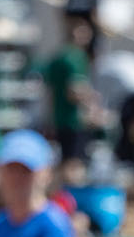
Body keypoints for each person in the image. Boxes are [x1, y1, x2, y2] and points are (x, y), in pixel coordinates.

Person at [40, 18, 94, 161]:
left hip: (59, 117)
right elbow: (74, 92)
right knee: (73, 163)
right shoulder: (75, 58)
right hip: (74, 119)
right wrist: (91, 100)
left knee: (64, 160)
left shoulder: (58, 56)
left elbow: (49, 90)